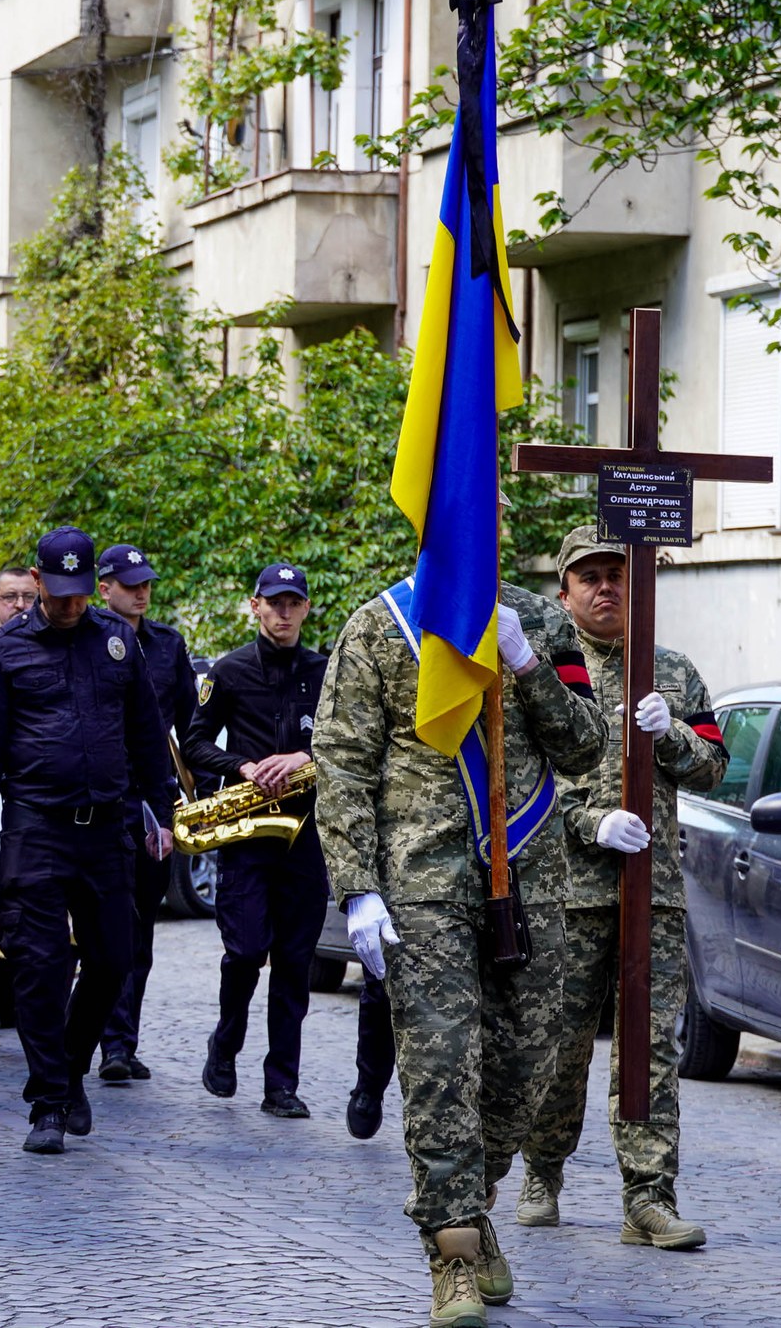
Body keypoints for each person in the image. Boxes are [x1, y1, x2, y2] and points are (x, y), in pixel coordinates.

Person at [314, 561, 606, 1328]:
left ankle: (473, 1210)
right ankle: (452, 1256)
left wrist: (526, 664)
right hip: (422, 882)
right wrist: (356, 884)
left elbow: (585, 748)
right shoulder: (380, 624)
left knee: (525, 1069)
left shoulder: (539, 623)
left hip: (530, 878)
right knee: (442, 1069)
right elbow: (342, 762)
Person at [516, 526, 726, 1248]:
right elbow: (524, 782)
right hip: (569, 890)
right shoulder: (547, 667)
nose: (607, 587)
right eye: (591, 576)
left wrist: (671, 735)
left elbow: (713, 767)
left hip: (654, 891)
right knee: (558, 1046)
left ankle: (648, 1196)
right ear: (565, 591)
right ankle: (542, 1170)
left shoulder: (672, 669)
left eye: (619, 573)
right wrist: (588, 819)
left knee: (650, 1049)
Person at [0, 526, 176, 1156]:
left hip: (108, 830)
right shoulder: (6, 651)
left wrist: (159, 811)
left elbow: (145, 731)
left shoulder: (115, 641)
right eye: (60, 594)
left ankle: (69, 1066)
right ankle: (50, 1101)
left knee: (112, 961)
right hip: (36, 829)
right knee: (39, 968)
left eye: (81, 594)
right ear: (37, 580)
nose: (72, 605)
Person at [180, 564, 329, 1118]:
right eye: (275, 602)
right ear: (255, 606)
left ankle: (280, 1085)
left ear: (306, 608)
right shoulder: (230, 670)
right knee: (244, 952)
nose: (285, 611)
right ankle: (225, 1044)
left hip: (307, 837)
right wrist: (240, 766)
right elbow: (194, 742)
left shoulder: (326, 670)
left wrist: (305, 757)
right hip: (247, 836)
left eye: (294, 602)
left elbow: (349, 743)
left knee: (294, 964)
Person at [95, 544, 199, 1083]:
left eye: (146, 583)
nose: (140, 591)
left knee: (142, 933)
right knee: (107, 930)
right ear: (103, 587)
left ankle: (120, 1042)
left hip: (154, 805)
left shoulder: (167, 645)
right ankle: (94, 1037)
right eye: (128, 583)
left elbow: (192, 725)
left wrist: (203, 794)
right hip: (102, 802)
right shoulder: (88, 638)